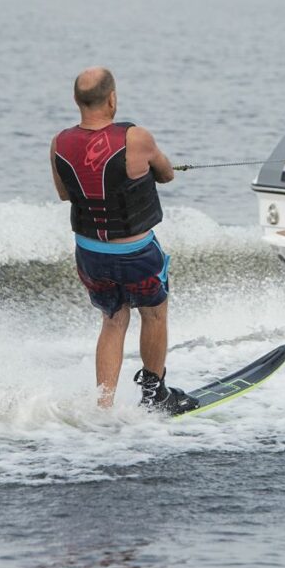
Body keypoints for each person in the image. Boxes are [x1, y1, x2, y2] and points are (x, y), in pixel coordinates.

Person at [50, 67, 196, 413]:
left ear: (76, 101)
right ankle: (155, 393)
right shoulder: (136, 138)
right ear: (113, 99)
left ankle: (104, 407)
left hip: (90, 254)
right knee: (154, 314)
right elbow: (167, 174)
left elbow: (63, 194)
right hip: (136, 253)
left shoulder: (59, 142)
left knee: (113, 319)